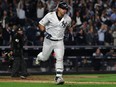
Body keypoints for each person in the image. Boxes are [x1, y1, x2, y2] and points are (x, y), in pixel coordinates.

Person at [35, 1, 72, 85]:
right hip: (49, 41)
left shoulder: (68, 18)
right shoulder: (50, 15)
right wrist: (44, 32)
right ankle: (38, 57)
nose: (64, 10)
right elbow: (40, 24)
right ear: (58, 8)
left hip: (59, 41)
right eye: (63, 8)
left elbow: (68, 27)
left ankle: (58, 77)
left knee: (59, 58)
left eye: (66, 9)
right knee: (44, 57)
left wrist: (67, 32)